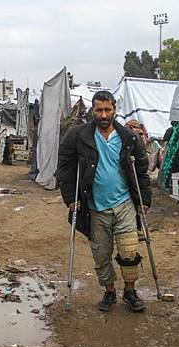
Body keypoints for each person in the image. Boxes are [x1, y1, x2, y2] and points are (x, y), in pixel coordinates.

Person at [56, 91, 151, 312]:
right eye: (99, 110)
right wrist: (71, 199)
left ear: (115, 109)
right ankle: (109, 292)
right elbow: (66, 169)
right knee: (101, 254)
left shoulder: (129, 137)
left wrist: (144, 200)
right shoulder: (78, 136)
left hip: (125, 204)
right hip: (95, 207)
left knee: (129, 251)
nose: (103, 114)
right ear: (93, 110)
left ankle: (129, 291)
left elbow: (142, 171)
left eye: (107, 110)